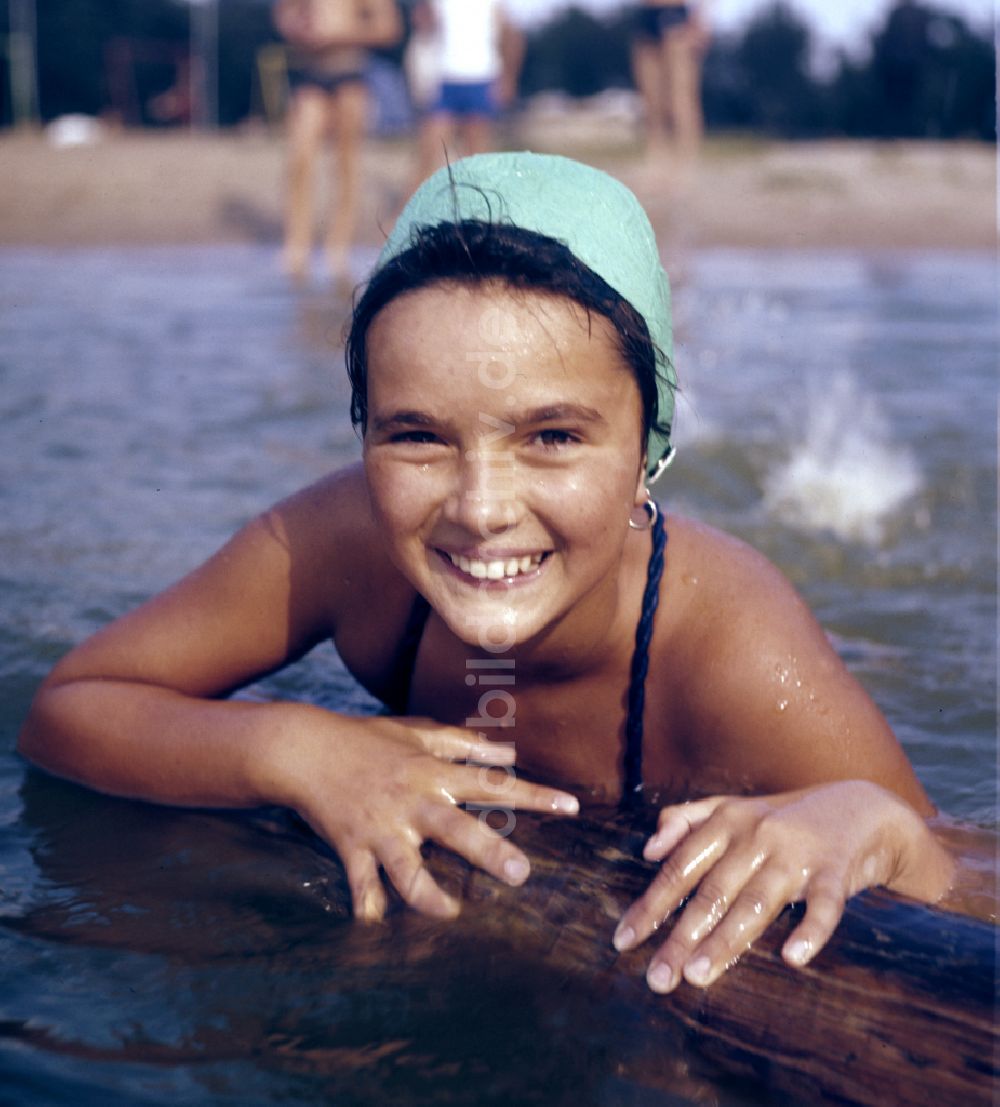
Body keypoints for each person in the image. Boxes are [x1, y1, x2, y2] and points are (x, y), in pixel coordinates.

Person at [17, 153, 991, 996]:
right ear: (362, 432)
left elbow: (955, 870)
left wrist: (873, 824)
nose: (479, 509)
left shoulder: (729, 650)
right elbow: (71, 708)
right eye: (417, 437)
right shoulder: (344, 542)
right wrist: (295, 748)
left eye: (553, 436)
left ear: (648, 449)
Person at [274, 0, 403, 284]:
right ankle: (297, 247)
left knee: (346, 164)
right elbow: (283, 16)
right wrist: (297, 28)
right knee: (299, 159)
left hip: (350, 73)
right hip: (311, 72)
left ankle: (337, 250)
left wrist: (337, 35)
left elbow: (389, 28)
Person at [408, 0, 523, 186]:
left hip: (481, 78)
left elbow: (512, 37)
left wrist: (508, 79)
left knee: (475, 156)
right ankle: (409, 207)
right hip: (444, 78)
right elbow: (423, 25)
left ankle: (478, 207)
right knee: (429, 150)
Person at [631, 1, 709, 173]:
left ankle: (686, 165)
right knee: (651, 101)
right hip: (646, 15)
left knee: (681, 98)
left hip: (675, 16)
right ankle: (657, 163)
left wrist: (701, 19)